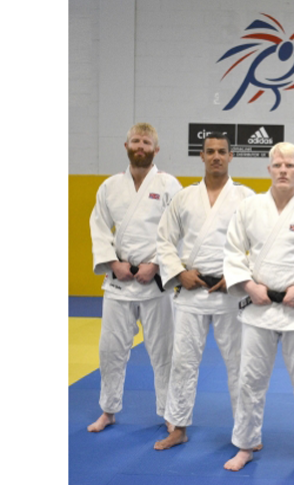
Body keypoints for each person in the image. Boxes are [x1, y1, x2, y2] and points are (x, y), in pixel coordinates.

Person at [221, 142, 294, 474]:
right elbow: (233, 251)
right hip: (258, 306)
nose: (283, 170)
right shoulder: (250, 207)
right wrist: (249, 286)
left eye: (290, 165)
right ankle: (245, 445)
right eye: (278, 165)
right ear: (268, 170)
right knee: (249, 380)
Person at [153, 133, 255, 450]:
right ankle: (178, 426)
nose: (216, 157)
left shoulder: (245, 197)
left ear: (230, 156)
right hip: (191, 291)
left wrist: (237, 273)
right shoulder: (184, 198)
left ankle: (246, 431)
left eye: (221, 152)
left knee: (240, 365)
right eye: (210, 151)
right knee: (183, 362)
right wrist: (179, 272)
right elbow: (164, 240)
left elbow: (258, 244)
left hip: (229, 293)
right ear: (201, 155)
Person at [87, 122, 183, 434]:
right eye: (135, 141)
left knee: (163, 350)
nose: (140, 146)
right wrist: (112, 263)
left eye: (146, 142)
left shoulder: (169, 185)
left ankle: (169, 412)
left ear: (156, 149)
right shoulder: (110, 186)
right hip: (119, 280)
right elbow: (99, 227)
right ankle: (108, 409)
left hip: (154, 283)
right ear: (126, 145)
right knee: (110, 349)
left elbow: (179, 230)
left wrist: (156, 264)